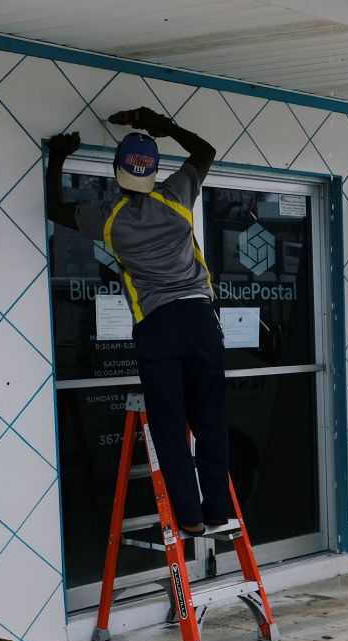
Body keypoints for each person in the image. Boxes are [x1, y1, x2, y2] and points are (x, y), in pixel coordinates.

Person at [45, 108, 229, 536]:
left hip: (157, 324)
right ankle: (216, 508)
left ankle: (192, 517)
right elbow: (205, 151)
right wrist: (164, 126)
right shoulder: (177, 195)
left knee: (168, 423)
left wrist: (59, 156)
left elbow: (56, 209)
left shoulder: (108, 218)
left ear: (116, 171)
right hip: (201, 319)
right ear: (154, 171)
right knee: (210, 419)